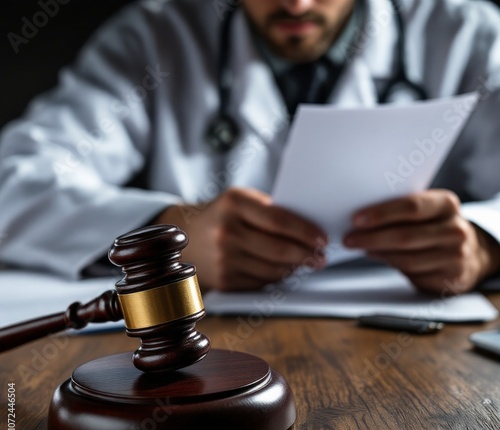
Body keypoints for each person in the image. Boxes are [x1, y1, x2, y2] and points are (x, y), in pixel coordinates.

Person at [1, 0, 500, 294]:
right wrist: (172, 238)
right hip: (209, 362)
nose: (297, 5)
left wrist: (482, 244)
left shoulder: (469, 35)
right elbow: (13, 185)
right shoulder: (156, 37)